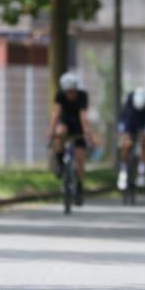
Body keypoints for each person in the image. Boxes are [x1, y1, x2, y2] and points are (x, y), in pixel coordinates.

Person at [46, 71, 98, 205]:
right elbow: (56, 114)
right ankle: (60, 164)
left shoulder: (82, 96)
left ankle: (79, 186)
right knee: (60, 132)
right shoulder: (60, 96)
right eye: (68, 92)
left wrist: (87, 132)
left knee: (80, 158)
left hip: (79, 126)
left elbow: (83, 115)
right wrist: (51, 131)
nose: (71, 94)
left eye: (73, 91)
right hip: (66, 123)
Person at [117, 86, 145, 190]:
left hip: (143, 121)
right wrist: (124, 133)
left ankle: (142, 171)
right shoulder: (130, 99)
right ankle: (123, 171)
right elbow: (125, 117)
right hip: (130, 121)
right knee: (126, 144)